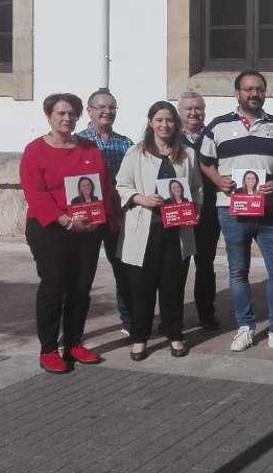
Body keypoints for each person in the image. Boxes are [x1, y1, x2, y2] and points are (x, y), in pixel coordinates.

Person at [200, 70, 273, 352]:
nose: (254, 94)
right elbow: (205, 161)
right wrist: (218, 180)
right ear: (237, 93)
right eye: (248, 89)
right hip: (232, 211)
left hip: (269, 212)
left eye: (259, 89)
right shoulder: (218, 126)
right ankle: (245, 326)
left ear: (265, 93)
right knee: (238, 272)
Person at [20, 93, 113, 373]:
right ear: (49, 116)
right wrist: (65, 220)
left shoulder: (89, 148)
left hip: (88, 229)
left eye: (71, 113)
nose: (66, 118)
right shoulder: (35, 150)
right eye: (60, 113)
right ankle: (49, 349)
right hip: (50, 229)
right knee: (54, 287)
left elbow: (103, 186)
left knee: (80, 288)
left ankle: (74, 343)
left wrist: (99, 217)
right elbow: (35, 193)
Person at [116, 101, 202, 361]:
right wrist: (141, 199)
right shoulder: (136, 152)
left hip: (176, 232)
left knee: (173, 288)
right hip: (144, 230)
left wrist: (195, 210)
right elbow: (121, 185)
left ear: (176, 124)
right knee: (141, 289)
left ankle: (175, 334)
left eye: (170, 120)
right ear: (151, 122)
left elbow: (196, 188)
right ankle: (139, 338)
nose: (165, 125)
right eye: (159, 120)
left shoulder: (187, 154)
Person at [77, 88, 133, 336]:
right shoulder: (77, 142)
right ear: (89, 110)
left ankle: (130, 321)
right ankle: (71, 330)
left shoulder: (126, 143)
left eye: (112, 107)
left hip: (117, 216)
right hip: (87, 217)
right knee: (81, 274)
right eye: (101, 107)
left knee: (124, 270)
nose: (107, 111)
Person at [178, 91, 221, 331]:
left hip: (209, 210)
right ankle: (172, 316)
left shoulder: (213, 135)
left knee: (206, 264)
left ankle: (206, 313)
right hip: (181, 209)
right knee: (178, 265)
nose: (195, 113)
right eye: (189, 109)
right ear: (180, 112)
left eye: (199, 108)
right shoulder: (171, 137)